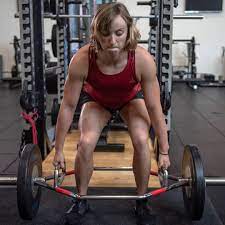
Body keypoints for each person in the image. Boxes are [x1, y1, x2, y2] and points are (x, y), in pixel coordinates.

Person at [53, 2, 170, 225]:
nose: (112, 41)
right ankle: (81, 199)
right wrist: (58, 149)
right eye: (105, 34)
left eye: (118, 33)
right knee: (86, 142)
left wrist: (164, 150)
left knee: (141, 140)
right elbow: (67, 106)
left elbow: (155, 108)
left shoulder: (142, 60)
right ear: (96, 33)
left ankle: (142, 200)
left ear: (128, 30)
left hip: (130, 99)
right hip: (97, 100)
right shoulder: (81, 60)